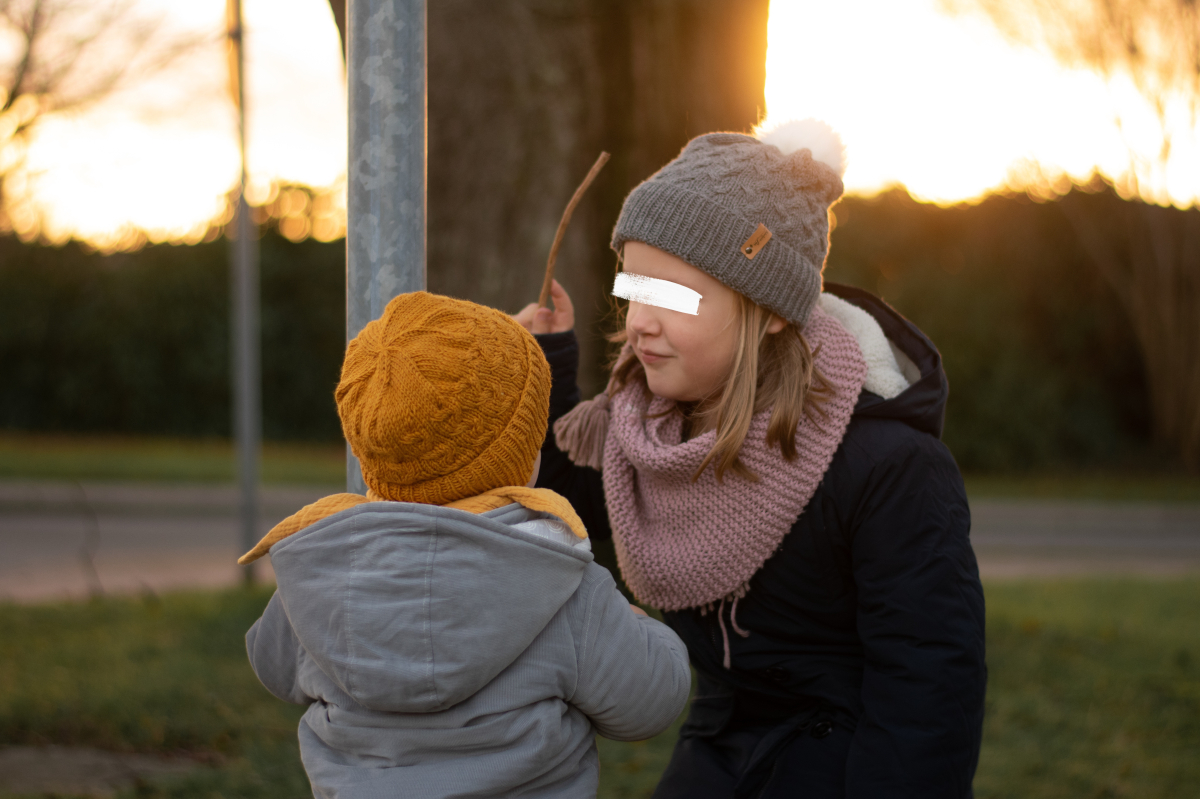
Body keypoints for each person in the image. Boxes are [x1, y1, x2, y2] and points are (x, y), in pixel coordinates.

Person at [514, 120, 987, 798]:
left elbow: (929, 688)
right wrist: (555, 367)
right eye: (633, 289)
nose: (641, 321)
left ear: (767, 310)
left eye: (674, 295)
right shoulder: (647, 429)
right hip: (718, 752)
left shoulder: (888, 468)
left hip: (842, 764)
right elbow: (565, 513)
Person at [241, 292, 691, 798]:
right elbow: (651, 704)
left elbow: (271, 664)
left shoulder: (324, 575)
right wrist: (645, 631)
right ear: (523, 453)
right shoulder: (561, 584)